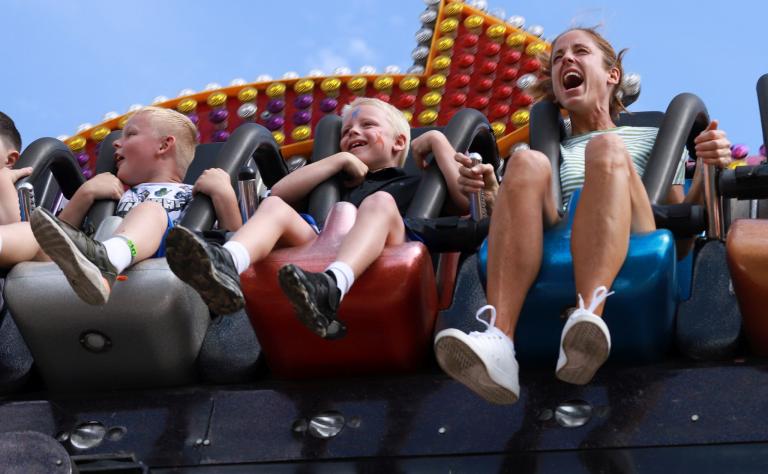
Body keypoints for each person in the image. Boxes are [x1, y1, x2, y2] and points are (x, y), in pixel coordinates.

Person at [433, 27, 733, 405]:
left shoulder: (650, 139)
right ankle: (499, 341)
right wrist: (492, 189)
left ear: (612, 75)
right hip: (557, 237)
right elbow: (517, 222)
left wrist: (708, 169)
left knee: (605, 147)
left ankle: (589, 315)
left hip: (635, 233)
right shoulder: (548, 150)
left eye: (579, 52)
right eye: (558, 57)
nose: (566, 61)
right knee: (524, 161)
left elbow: (680, 230)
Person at [165, 97, 474, 338]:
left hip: (387, 257)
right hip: (318, 254)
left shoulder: (414, 186)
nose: (354, 131)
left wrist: (436, 140)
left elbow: (462, 199)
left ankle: (332, 285)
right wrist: (337, 161)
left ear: (399, 142)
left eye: (368, 125)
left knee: (378, 202)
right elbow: (279, 195)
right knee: (274, 210)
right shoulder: (330, 185)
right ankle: (226, 265)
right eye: (347, 131)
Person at [28, 106, 242, 305]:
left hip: (169, 267)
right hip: (90, 275)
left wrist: (225, 195)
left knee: (150, 210)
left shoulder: (196, 195)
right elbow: (45, 254)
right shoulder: (108, 198)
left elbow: (234, 251)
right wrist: (85, 194)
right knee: (30, 232)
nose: (116, 143)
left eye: (130, 134)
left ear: (164, 145)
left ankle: (110, 258)